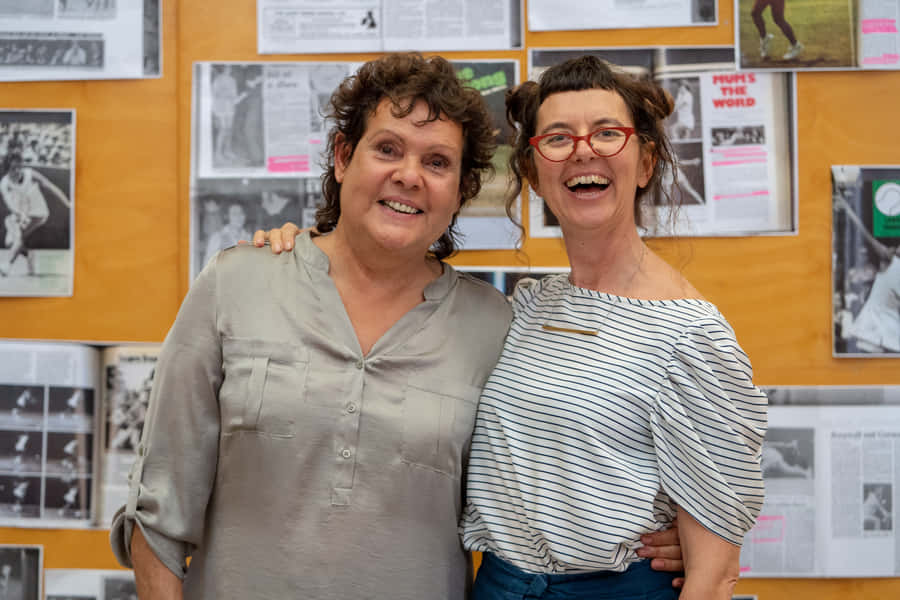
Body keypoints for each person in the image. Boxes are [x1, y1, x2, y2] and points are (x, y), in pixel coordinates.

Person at [111, 53, 683, 600]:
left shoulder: (495, 325)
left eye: (437, 163)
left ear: (459, 192)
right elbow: (156, 514)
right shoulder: (235, 284)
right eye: (388, 149)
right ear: (342, 156)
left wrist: (671, 538)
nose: (409, 176)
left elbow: (552, 464)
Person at [261, 55, 765, 599]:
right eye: (557, 137)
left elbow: (714, 574)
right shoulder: (523, 309)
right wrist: (304, 249)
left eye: (607, 133)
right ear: (533, 174)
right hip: (496, 586)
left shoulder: (692, 335)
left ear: (644, 164)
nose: (583, 150)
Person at [834, 193, 900, 353]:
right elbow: (866, 237)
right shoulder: (891, 261)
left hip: (884, 337)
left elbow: (866, 237)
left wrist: (848, 210)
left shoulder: (891, 260)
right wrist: (848, 210)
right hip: (874, 336)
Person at [0, 152, 69, 277]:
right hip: (21, 213)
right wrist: (19, 214)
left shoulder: (30, 174)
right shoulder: (4, 184)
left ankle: (7, 265)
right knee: (10, 243)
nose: (16, 170)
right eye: (12, 168)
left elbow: (51, 187)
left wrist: (67, 202)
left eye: (18, 167)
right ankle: (28, 253)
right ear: (7, 169)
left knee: (20, 235)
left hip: (39, 213)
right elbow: (9, 203)